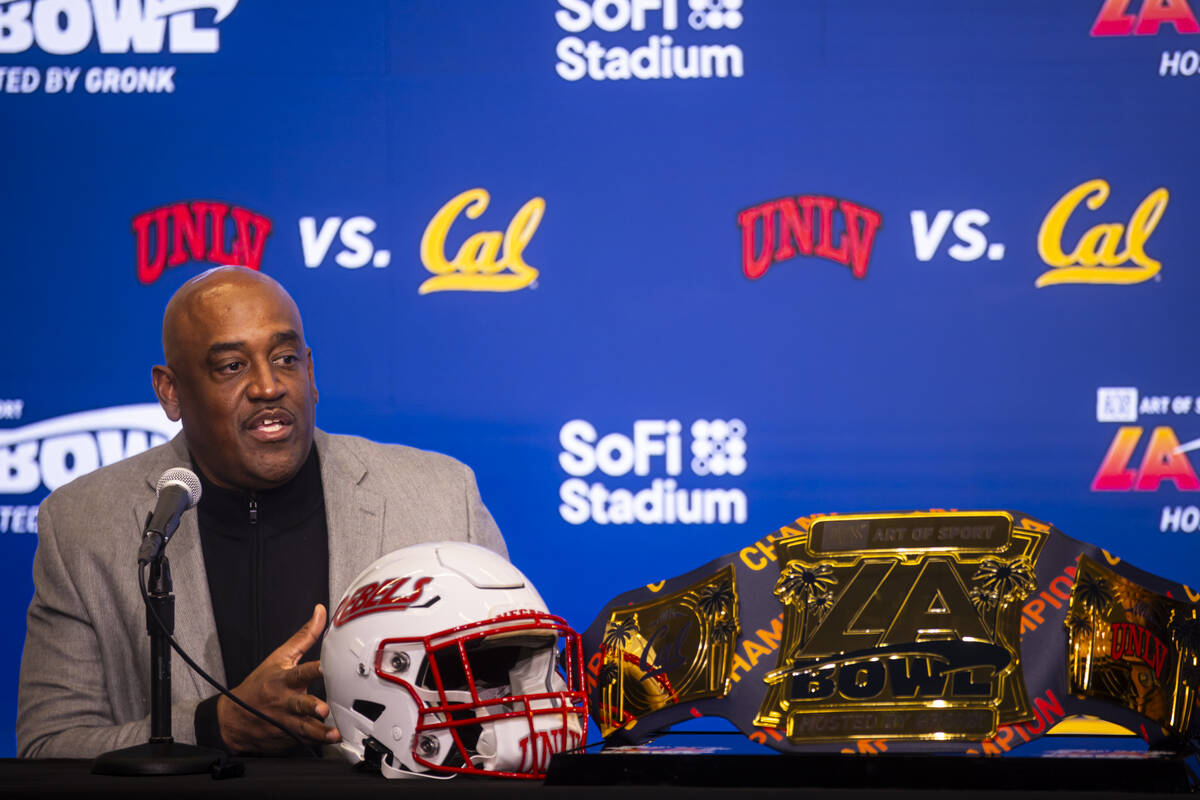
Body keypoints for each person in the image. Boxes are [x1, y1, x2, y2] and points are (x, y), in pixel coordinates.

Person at [17, 266, 507, 758]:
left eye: (286, 358)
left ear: (311, 374)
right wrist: (213, 727)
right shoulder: (82, 525)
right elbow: (50, 746)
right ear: (171, 391)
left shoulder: (442, 499)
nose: (269, 386)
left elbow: (513, 705)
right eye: (231, 366)